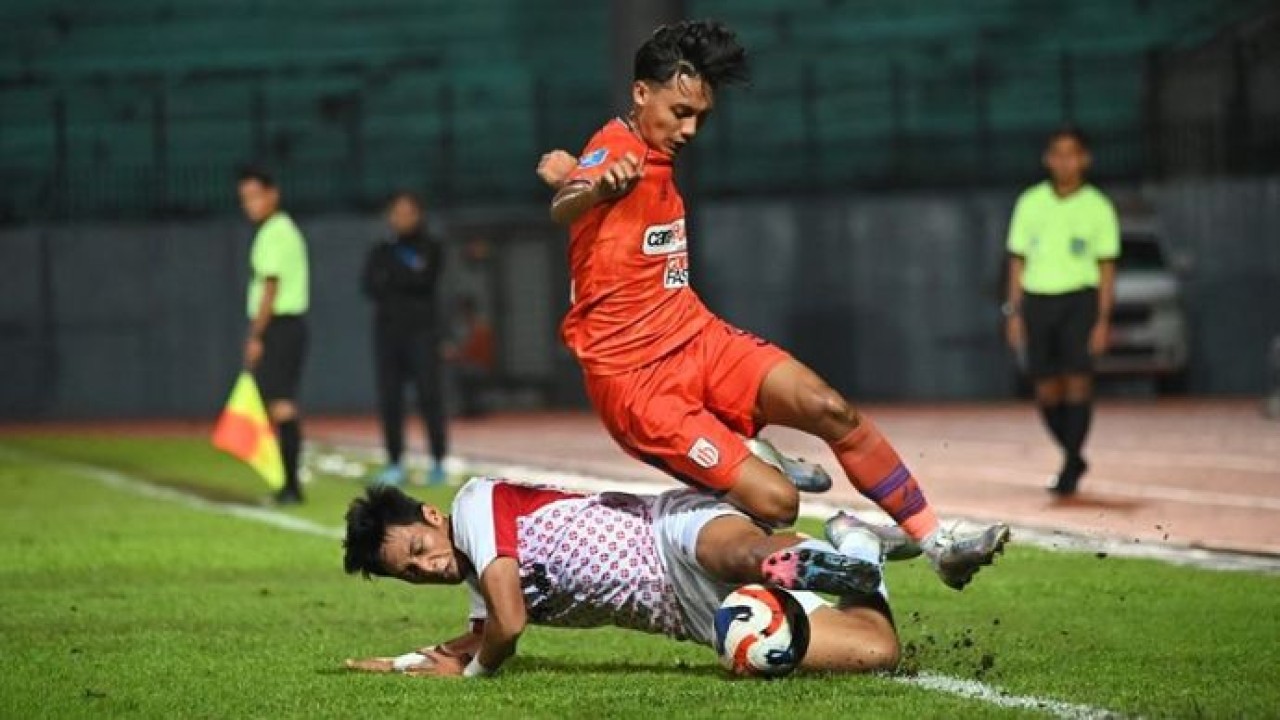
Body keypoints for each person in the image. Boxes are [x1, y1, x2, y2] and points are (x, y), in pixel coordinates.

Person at [534, 20, 1007, 590]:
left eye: (700, 118)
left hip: (696, 336)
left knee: (829, 408)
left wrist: (576, 178)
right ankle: (758, 478)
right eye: (680, 112)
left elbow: (578, 191)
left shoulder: (644, 149)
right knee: (776, 504)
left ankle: (938, 543)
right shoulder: (618, 149)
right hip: (635, 383)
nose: (689, 129)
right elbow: (569, 203)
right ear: (641, 93)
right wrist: (588, 185)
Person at [342, 478, 912, 677]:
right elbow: (480, 635)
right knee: (875, 651)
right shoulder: (482, 589)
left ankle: (791, 559)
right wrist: (402, 663)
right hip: (688, 615)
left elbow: (507, 628)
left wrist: (474, 674)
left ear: (432, 517)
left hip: (667, 530)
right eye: (410, 573)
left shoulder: (476, 506)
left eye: (418, 548)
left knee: (741, 554)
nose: (426, 567)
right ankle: (858, 545)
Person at [1003, 126, 1119, 496]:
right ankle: (1072, 454)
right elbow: (1017, 260)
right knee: (1046, 389)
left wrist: (1102, 320)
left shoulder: (1098, 206)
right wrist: (1014, 312)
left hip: (1078, 301)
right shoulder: (1030, 202)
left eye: (1072, 154)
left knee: (1078, 381)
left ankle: (1070, 463)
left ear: (1084, 159)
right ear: (1047, 158)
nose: (1064, 161)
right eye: (1057, 153)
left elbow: (1106, 268)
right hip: (1038, 302)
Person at [361, 192, 448, 486]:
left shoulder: (431, 248)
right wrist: (403, 278)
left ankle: (437, 462)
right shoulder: (380, 250)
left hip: (422, 334)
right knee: (390, 401)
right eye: (396, 213)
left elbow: (424, 281)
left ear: (419, 215)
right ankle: (395, 463)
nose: (402, 218)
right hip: (388, 335)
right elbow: (370, 285)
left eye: (408, 212)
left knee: (429, 397)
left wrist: (393, 279)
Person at [238, 167, 309, 505]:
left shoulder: (275, 232)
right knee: (275, 405)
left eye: (254, 196)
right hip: (285, 327)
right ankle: (288, 484)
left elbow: (270, 286)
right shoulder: (280, 230)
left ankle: (291, 487)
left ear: (272, 194)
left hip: (280, 326)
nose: (249, 205)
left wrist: (256, 335)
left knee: (280, 406)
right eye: (244, 199)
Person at [446, 296, 496, 418]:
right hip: (467, 363)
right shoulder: (461, 326)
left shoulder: (480, 327)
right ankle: (462, 405)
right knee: (450, 368)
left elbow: (475, 352)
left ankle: (462, 406)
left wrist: (456, 355)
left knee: (452, 371)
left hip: (479, 366)